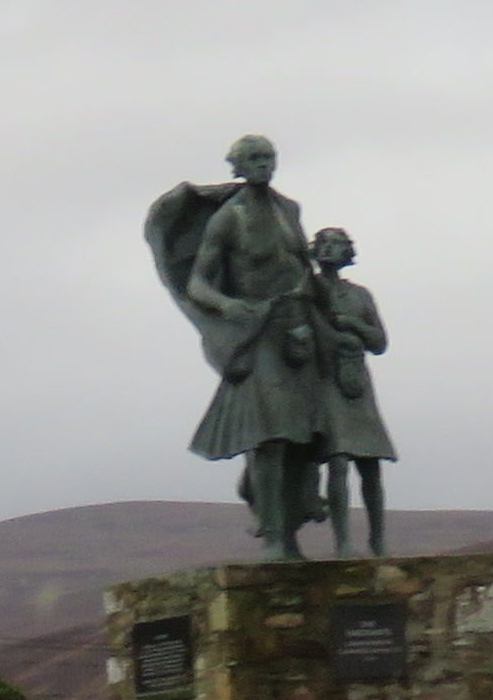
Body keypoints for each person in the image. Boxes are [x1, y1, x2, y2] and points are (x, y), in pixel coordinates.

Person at [144, 137, 354, 555]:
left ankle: (289, 531)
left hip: (300, 328)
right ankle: (273, 535)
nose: (263, 164)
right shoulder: (229, 218)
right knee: (270, 437)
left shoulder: (289, 210)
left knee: (306, 438)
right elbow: (198, 284)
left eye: (268, 157)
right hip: (258, 330)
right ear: (237, 167)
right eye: (254, 159)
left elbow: (302, 267)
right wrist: (228, 306)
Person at [306, 225, 396, 554]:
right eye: (325, 244)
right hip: (324, 378)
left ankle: (378, 540)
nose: (330, 249)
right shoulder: (307, 289)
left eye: (337, 244)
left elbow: (379, 343)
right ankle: (343, 542)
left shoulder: (360, 295)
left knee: (370, 464)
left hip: (356, 380)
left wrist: (353, 324)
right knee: (338, 458)